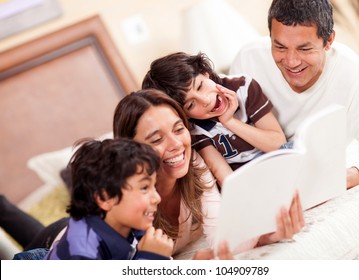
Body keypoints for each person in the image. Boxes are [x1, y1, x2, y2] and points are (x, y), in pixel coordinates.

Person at [113, 88, 304, 255]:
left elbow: (222, 238)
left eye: (179, 129)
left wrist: (268, 235)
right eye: (156, 140)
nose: (176, 144)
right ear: (130, 149)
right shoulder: (123, 199)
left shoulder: (194, 164)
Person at [229, 0, 359, 189]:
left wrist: (344, 178)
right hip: (257, 178)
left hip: (315, 177)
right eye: (279, 46)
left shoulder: (354, 77)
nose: (291, 61)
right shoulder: (249, 59)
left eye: (304, 49)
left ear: (329, 40)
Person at [142, 52, 289, 187]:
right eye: (191, 104)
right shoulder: (192, 128)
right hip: (244, 179)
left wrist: (231, 122)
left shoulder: (243, 87)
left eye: (200, 86)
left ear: (206, 74)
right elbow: (224, 175)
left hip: (277, 161)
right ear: (184, 114)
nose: (205, 100)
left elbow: (278, 144)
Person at [43, 138, 173, 260]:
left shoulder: (128, 221)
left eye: (154, 186)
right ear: (104, 198)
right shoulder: (83, 253)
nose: (157, 198)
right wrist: (150, 259)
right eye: (144, 187)